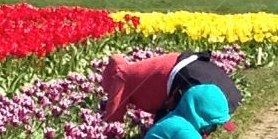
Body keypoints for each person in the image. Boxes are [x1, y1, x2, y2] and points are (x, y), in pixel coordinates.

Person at [101, 50, 242, 126]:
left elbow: (113, 118)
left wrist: (111, 132)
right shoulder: (135, 71)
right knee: (202, 110)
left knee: (188, 117)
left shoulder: (121, 77)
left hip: (184, 77)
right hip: (199, 68)